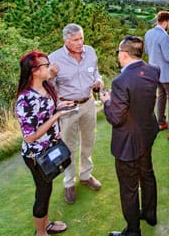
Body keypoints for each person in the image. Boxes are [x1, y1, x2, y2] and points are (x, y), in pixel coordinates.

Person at [101, 36, 160, 236]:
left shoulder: (120, 82)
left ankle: (133, 231)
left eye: (119, 52)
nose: (118, 55)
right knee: (147, 174)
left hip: (127, 141)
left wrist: (107, 102)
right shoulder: (153, 71)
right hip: (147, 133)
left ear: (124, 54)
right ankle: (150, 214)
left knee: (129, 187)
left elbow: (116, 118)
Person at [49, 24, 103, 204]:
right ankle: (69, 182)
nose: (80, 43)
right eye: (76, 40)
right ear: (66, 41)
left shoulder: (90, 52)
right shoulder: (55, 59)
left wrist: (98, 81)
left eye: (82, 38)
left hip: (88, 103)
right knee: (69, 146)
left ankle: (86, 175)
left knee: (88, 141)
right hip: (68, 108)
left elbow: (96, 72)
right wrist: (57, 103)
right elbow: (48, 87)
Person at [15, 51, 67, 236]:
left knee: (47, 187)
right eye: (46, 64)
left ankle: (46, 225)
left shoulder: (46, 87)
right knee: (43, 192)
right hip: (36, 154)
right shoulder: (25, 100)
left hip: (50, 147)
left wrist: (62, 107)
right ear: (34, 70)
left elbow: (47, 112)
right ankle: (40, 232)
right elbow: (30, 137)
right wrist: (56, 118)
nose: (50, 66)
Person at [144, 11, 169, 141]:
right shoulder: (164, 36)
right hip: (166, 73)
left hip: (154, 72)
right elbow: (168, 57)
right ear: (166, 21)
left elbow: (147, 51)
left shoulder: (148, 33)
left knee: (161, 96)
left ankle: (161, 123)